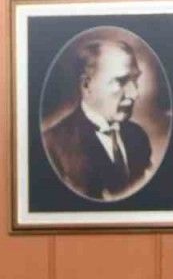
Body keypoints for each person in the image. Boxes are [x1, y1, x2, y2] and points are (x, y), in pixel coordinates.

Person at [42, 40, 154, 200]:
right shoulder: (53, 145)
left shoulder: (138, 136)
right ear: (86, 85)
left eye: (135, 79)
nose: (134, 94)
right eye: (121, 81)